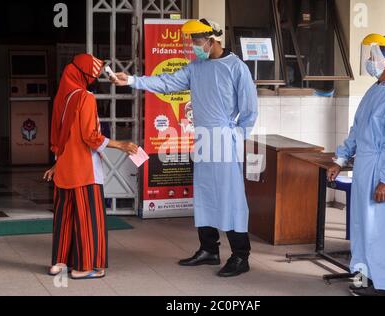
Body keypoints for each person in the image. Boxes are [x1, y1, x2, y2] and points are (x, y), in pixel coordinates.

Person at [112, 19, 258, 277]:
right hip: (202, 138)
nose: (193, 47)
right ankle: (209, 249)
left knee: (230, 196)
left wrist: (235, 136)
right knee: (204, 194)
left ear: (211, 40)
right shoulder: (196, 67)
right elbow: (167, 82)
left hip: (224, 140)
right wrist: (133, 80)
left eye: (196, 42)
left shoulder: (236, 68)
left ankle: (240, 255)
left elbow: (249, 111)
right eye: (191, 42)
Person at [328, 34, 385, 296]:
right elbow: (357, 130)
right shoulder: (375, 91)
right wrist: (340, 159)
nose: (370, 62)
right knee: (363, 227)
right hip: (365, 169)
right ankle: (363, 280)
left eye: (374, 57)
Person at [44, 54, 138, 280]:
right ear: (84, 76)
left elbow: (59, 137)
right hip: (85, 170)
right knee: (89, 220)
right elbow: (91, 137)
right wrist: (120, 144)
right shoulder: (85, 97)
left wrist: (57, 165)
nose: (94, 80)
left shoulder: (61, 97)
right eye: (93, 76)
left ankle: (59, 263)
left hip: (64, 169)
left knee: (64, 219)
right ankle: (89, 267)